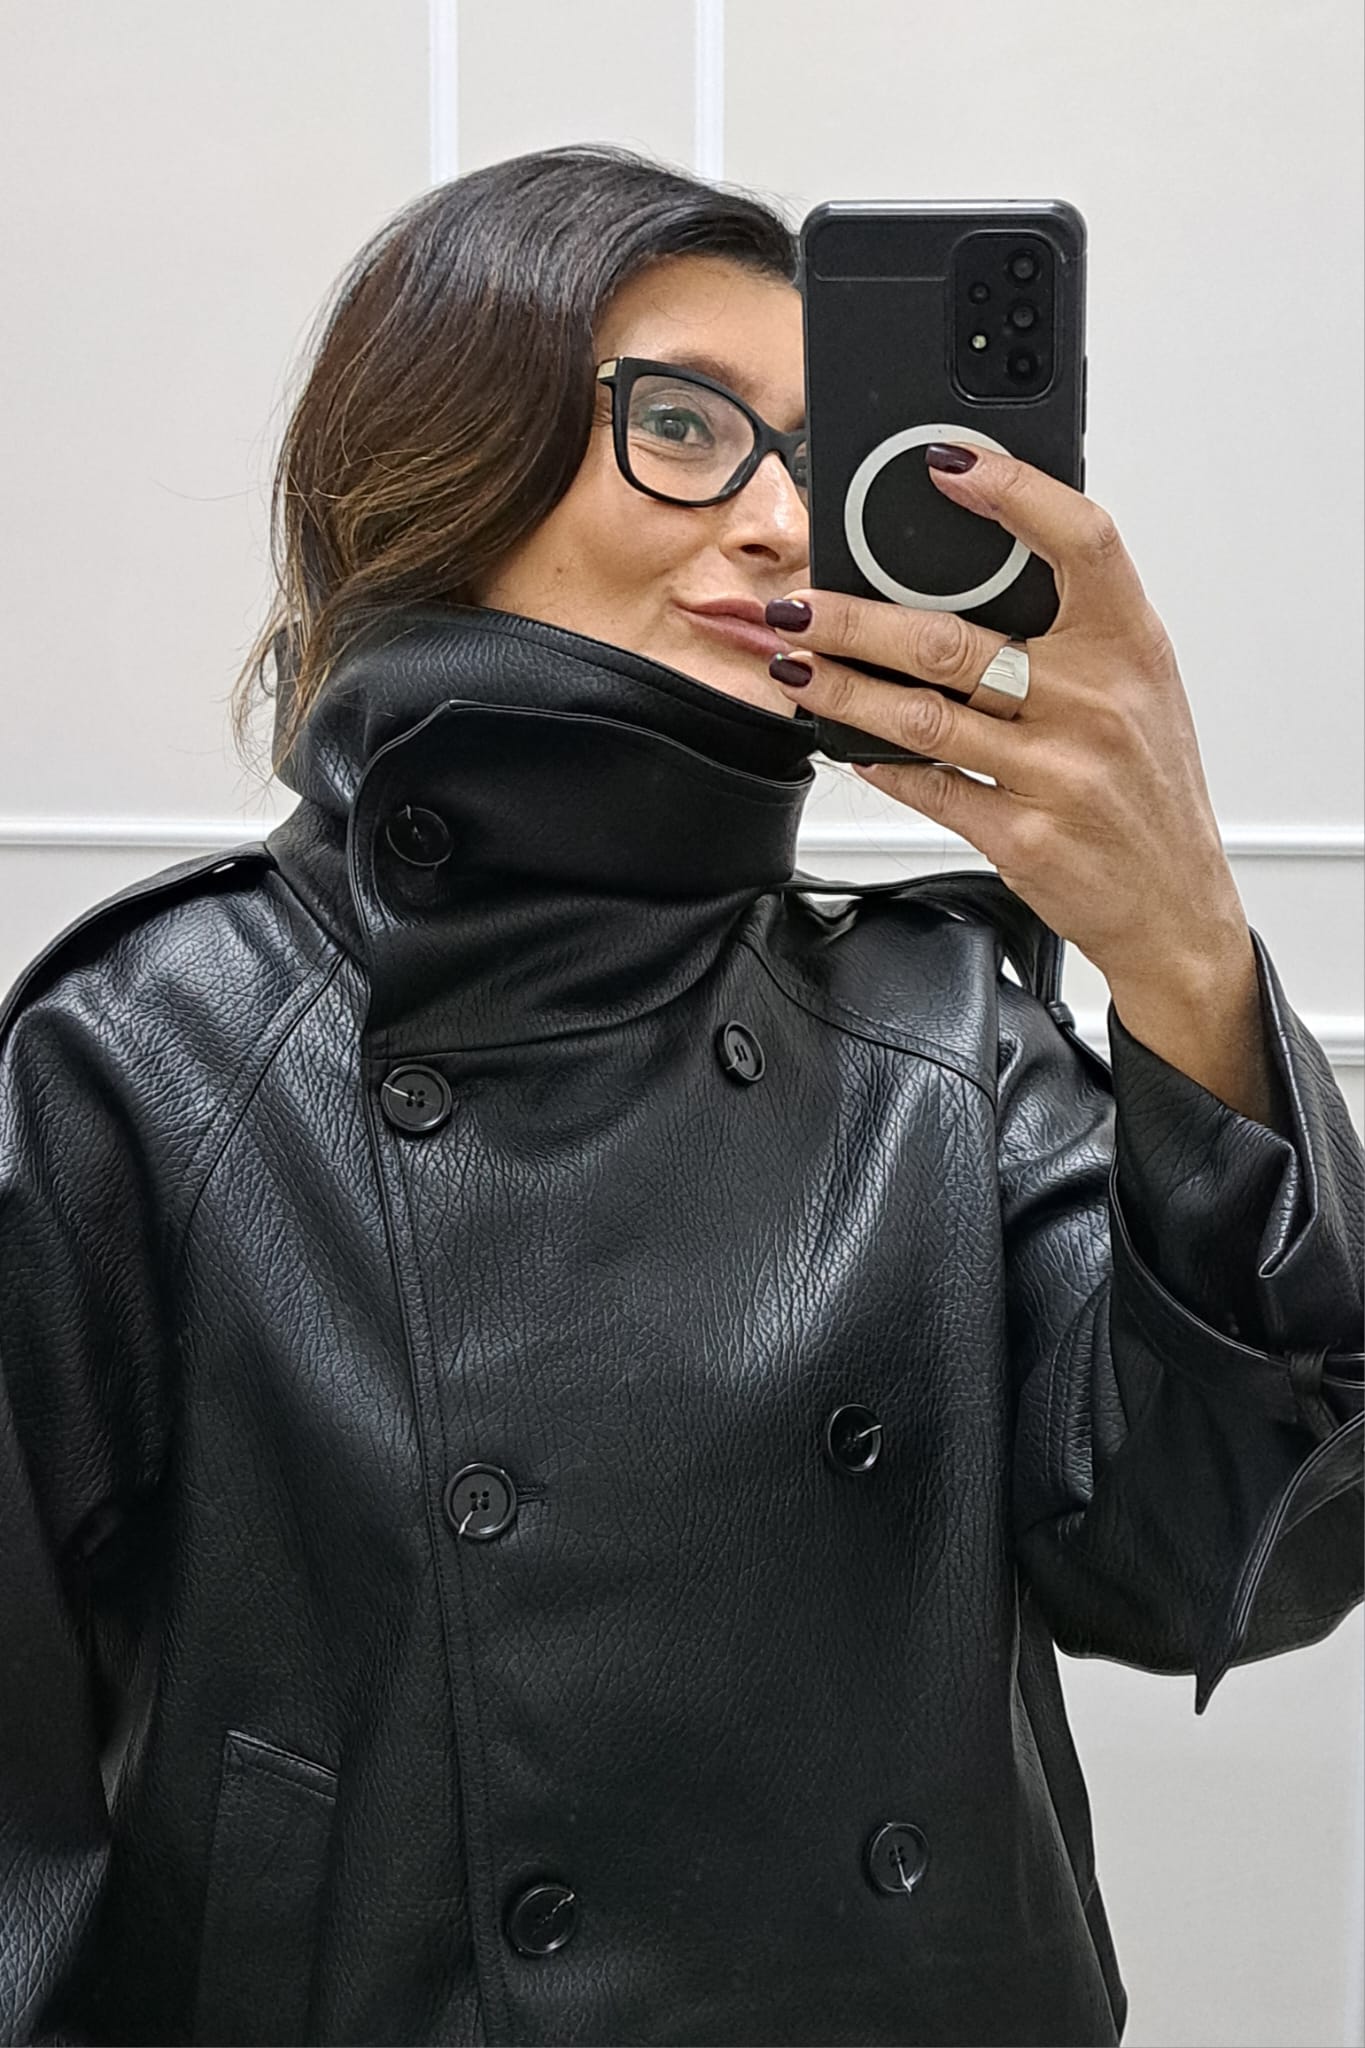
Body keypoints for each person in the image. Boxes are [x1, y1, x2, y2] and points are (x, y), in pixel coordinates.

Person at [1, 143, 1361, 2048]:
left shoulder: (941, 1036)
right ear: (439, 455)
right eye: (684, 426)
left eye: (813, 451)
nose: (786, 522)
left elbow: (1235, 1558)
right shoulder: (153, 1050)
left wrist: (1183, 951)